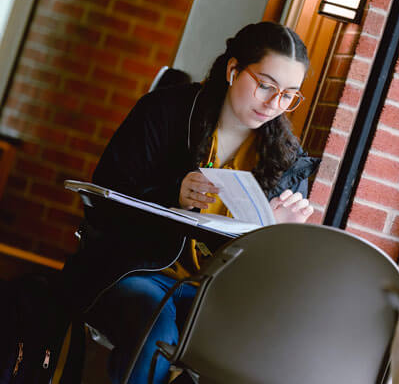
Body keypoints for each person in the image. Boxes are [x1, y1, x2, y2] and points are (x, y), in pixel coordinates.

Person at [60, 22, 319, 384]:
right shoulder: (165, 112)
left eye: (289, 94)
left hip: (218, 294)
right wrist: (173, 193)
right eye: (265, 86)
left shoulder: (289, 163)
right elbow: (105, 197)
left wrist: (272, 237)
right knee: (156, 329)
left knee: (259, 353)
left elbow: (279, 273)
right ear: (233, 70)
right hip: (138, 270)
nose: (275, 104)